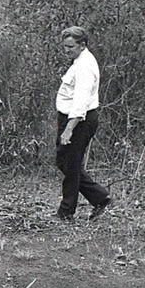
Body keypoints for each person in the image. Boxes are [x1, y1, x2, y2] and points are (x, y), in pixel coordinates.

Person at [54, 26, 111, 221]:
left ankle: (66, 211)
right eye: (65, 46)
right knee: (65, 162)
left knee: (70, 165)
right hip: (71, 119)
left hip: (79, 121)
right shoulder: (79, 61)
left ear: (82, 45)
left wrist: (69, 129)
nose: (66, 50)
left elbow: (80, 102)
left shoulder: (85, 66)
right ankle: (100, 197)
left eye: (70, 46)